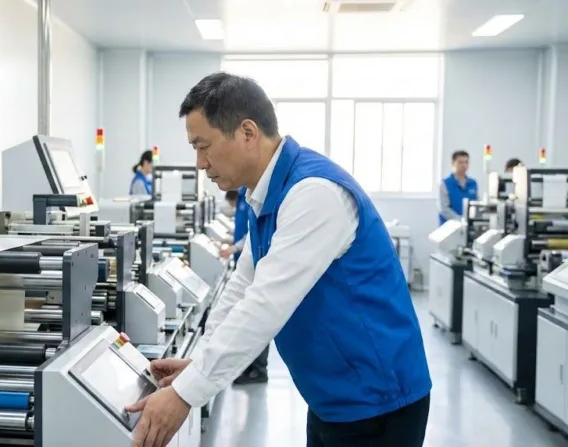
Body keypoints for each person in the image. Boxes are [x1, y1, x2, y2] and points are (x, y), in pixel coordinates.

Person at [124, 72, 431, 447]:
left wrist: (187, 394)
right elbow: (242, 287)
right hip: (331, 396)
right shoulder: (266, 197)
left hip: (378, 402)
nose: (200, 163)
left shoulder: (313, 195)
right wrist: (199, 362)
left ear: (247, 133)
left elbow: (265, 305)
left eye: (203, 146)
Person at [221, 187, 269, 384]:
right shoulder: (244, 196)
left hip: (256, 265)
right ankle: (249, 365)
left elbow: (253, 232)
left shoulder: (253, 195)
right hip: (245, 262)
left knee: (256, 316)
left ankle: (258, 369)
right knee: (244, 316)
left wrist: (234, 246)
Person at [438, 150, 478, 225]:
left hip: (468, 226)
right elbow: (443, 209)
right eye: (460, 162)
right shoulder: (445, 183)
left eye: (466, 162)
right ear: (453, 163)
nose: (464, 165)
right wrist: (460, 220)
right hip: (449, 227)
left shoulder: (473, 183)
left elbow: (476, 204)